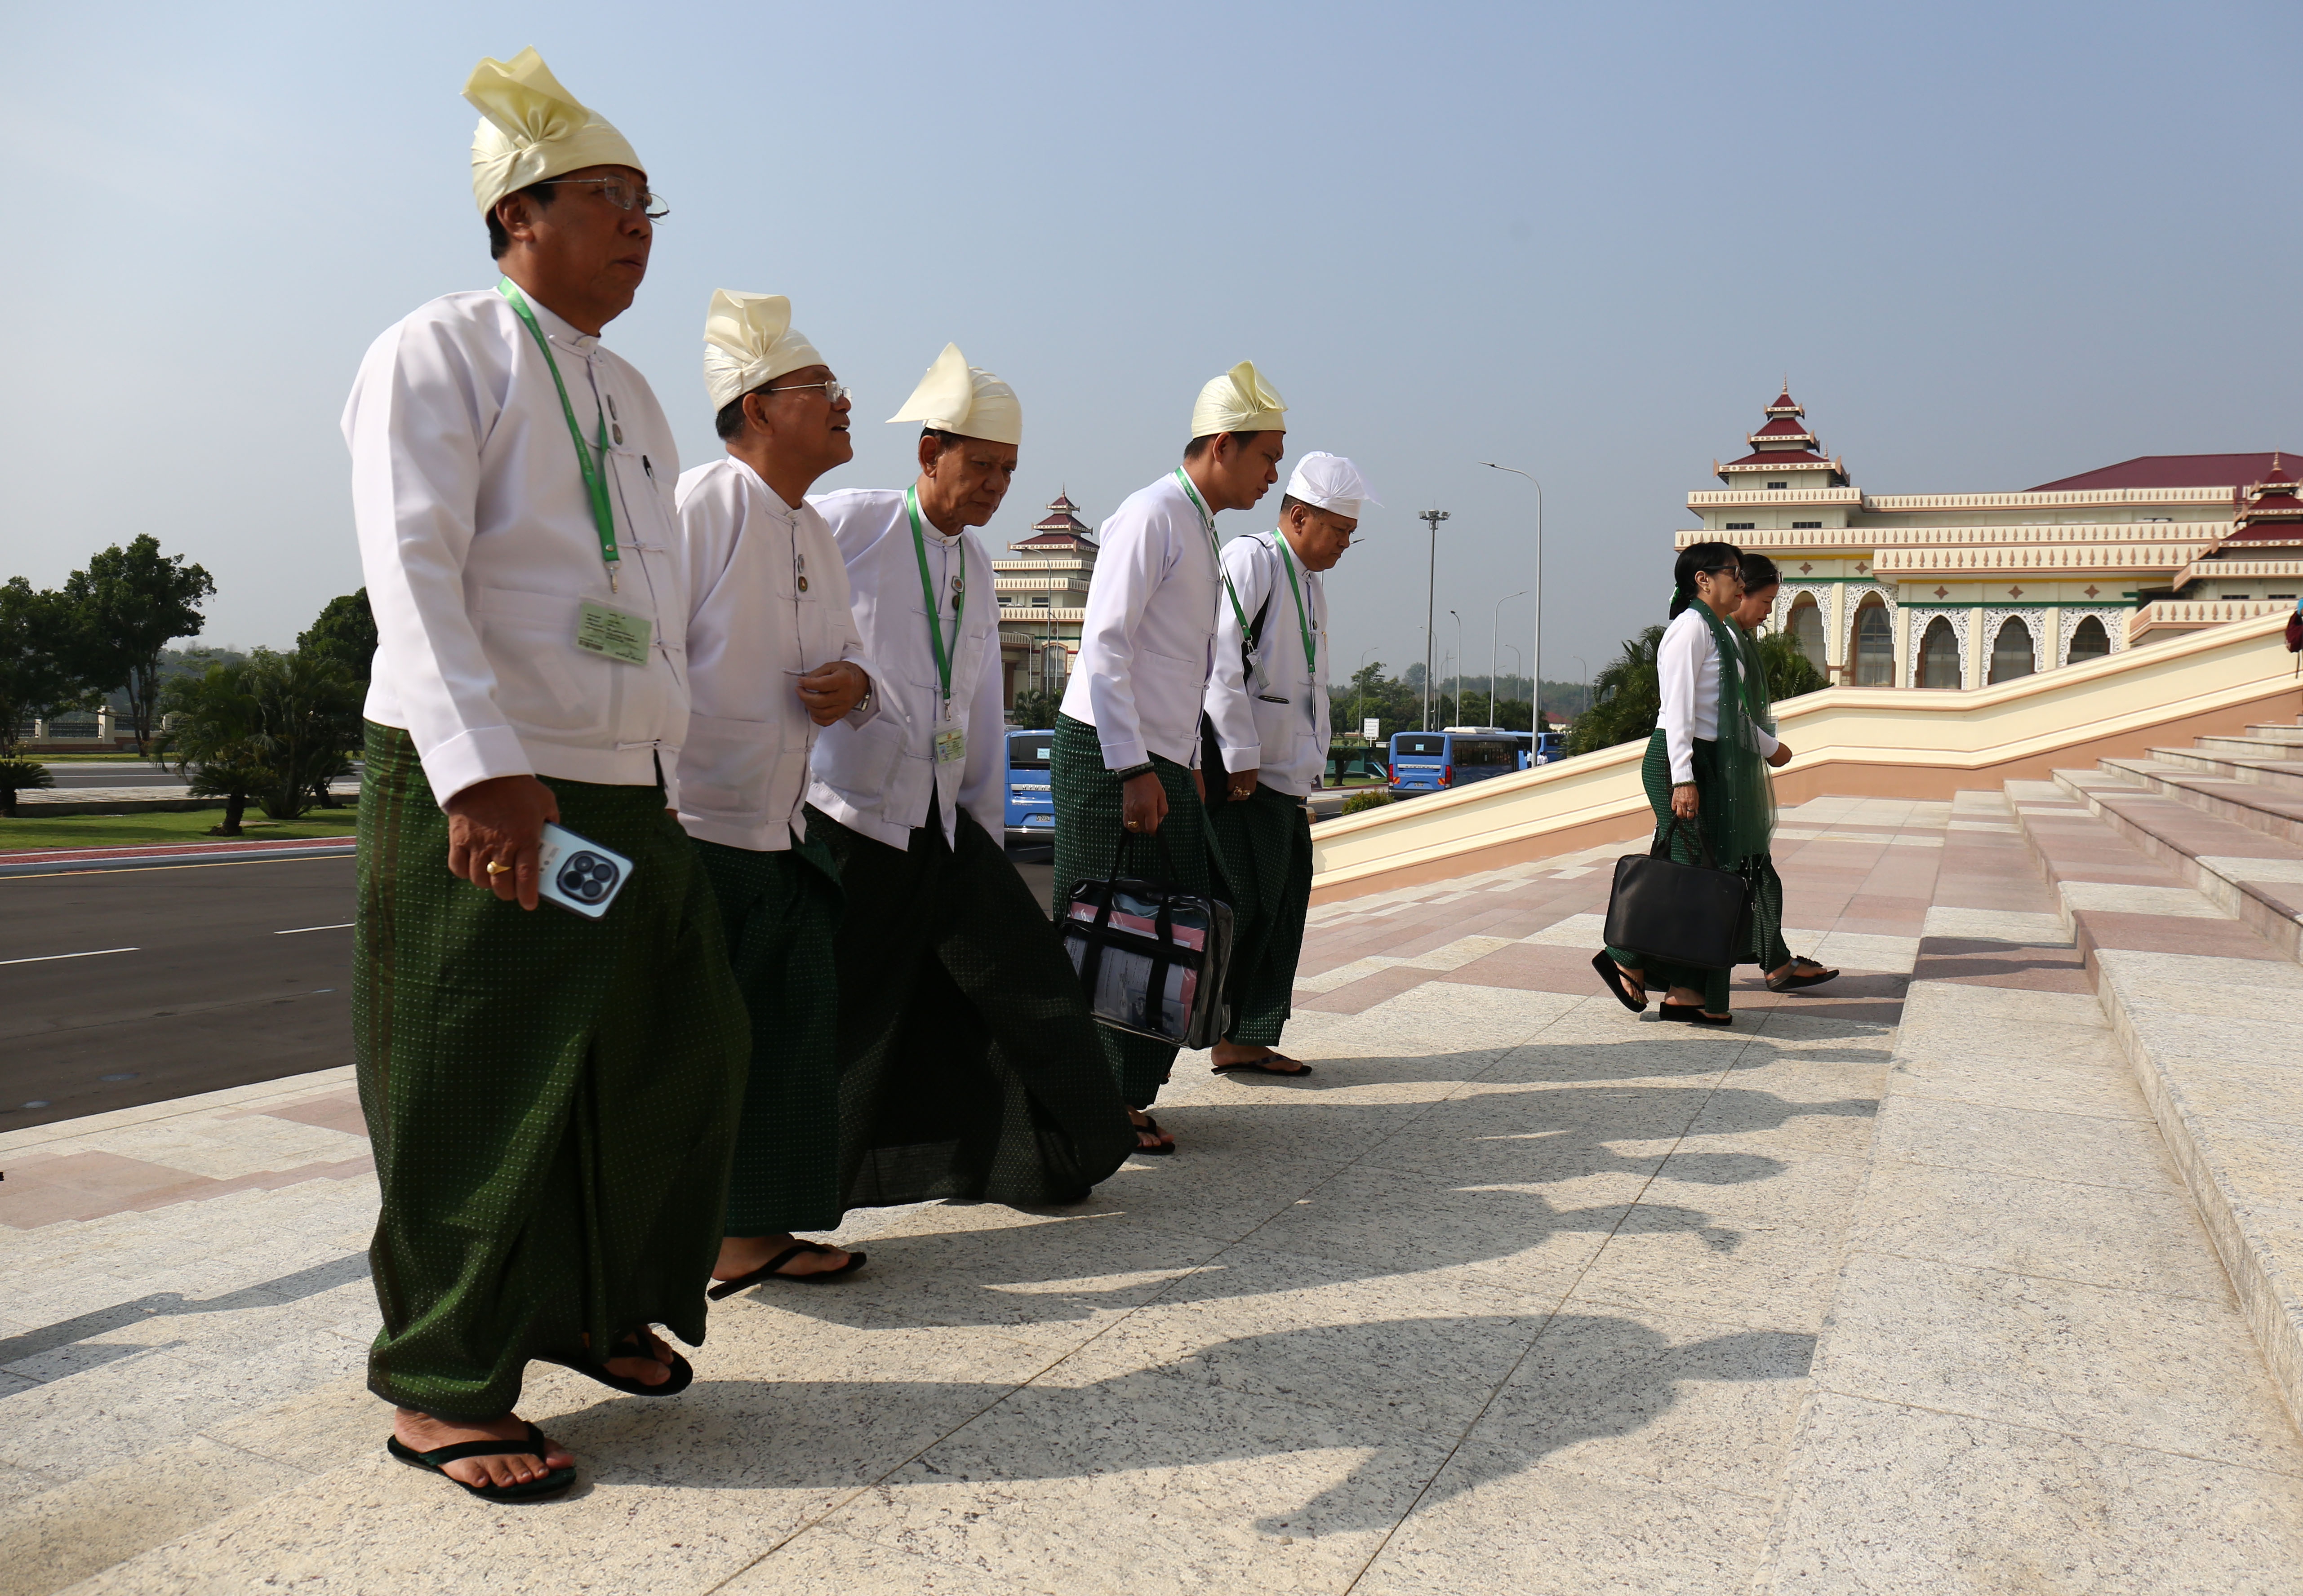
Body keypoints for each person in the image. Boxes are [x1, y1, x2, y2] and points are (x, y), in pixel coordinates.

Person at [344, 49, 749, 1502]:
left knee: (666, 1044)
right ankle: (444, 1381)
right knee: (478, 1070)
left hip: (622, 800)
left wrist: (665, 770)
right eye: (607, 200)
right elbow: (415, 573)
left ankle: (583, 1299)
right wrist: (480, 774)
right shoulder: (437, 350)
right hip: (500, 794)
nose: (639, 228)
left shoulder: (633, 393)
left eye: (650, 205)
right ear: (520, 213)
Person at [803, 345, 1137, 1201]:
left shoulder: (979, 561)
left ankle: (1047, 1154)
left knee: (1027, 986)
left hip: (946, 827)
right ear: (928, 455)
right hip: (849, 820)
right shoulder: (846, 522)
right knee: (846, 1017)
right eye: (981, 465)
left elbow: (979, 704)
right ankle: (795, 1189)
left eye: (1008, 470)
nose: (996, 485)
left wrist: (981, 827)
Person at [674, 290, 877, 1295]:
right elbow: (646, 653)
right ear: (757, 408)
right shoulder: (704, 505)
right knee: (698, 1052)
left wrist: (859, 685)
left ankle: (751, 1233)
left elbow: (852, 660)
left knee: (788, 1042)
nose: (843, 403)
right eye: (820, 388)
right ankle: (677, 1239)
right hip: (696, 829)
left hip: (785, 828)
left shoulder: (817, 532)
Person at [1050, 362, 1288, 1150]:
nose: (1272, 475)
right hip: (1109, 755)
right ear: (1222, 446)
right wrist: (1131, 766)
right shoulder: (1151, 515)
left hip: (1156, 758)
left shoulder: (1197, 522)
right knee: (1109, 931)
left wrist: (1182, 754)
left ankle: (1122, 1090)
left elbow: (1175, 661)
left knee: (1170, 923)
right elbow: (1106, 646)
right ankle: (1090, 1100)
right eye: (1266, 456)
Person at [1200, 452, 1374, 1077]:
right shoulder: (1254, 561)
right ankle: (1214, 1030)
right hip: (1247, 781)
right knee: (1242, 911)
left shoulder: (1311, 584)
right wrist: (1240, 754)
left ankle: (1246, 1036)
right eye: (1337, 531)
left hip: (1285, 780)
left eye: (1351, 534)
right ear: (1298, 517)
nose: (1345, 545)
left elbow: (1308, 684)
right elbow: (1218, 659)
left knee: (1280, 911)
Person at [1590, 542, 1792, 1024]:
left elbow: (1728, 714)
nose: (1742, 585)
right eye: (1735, 575)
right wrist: (1683, 779)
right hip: (1679, 761)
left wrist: (1768, 747)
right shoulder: (1689, 630)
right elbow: (1678, 711)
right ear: (1704, 580)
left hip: (1707, 761)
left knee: (1706, 875)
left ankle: (1687, 992)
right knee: (1687, 871)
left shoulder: (1719, 632)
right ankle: (1625, 954)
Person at [1728, 554, 1837, 994]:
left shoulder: (1734, 640)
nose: (1769, 611)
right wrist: (1773, 749)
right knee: (1701, 870)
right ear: (1738, 592)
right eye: (1766, 600)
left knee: (1746, 871)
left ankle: (1774, 961)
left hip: (1725, 767)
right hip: (1697, 768)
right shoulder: (1714, 641)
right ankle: (1635, 959)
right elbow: (1716, 716)